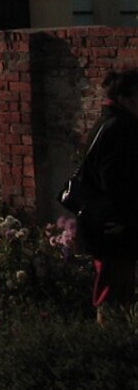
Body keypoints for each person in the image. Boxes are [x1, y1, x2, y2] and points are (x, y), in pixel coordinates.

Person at [78, 67, 138, 320]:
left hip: (110, 224)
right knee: (114, 295)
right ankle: (111, 349)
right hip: (112, 228)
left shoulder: (111, 124)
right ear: (126, 98)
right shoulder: (117, 128)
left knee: (118, 290)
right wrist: (122, 219)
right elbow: (114, 181)